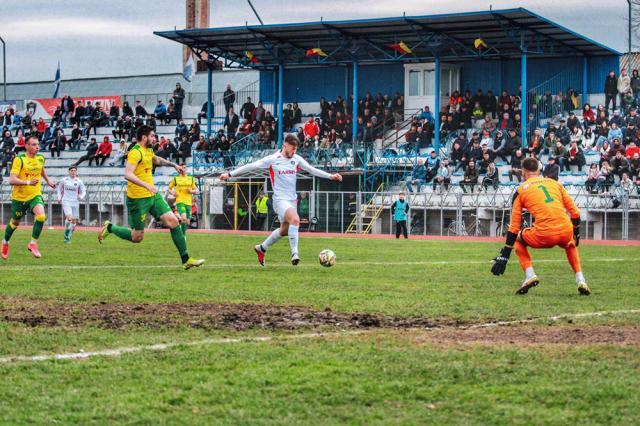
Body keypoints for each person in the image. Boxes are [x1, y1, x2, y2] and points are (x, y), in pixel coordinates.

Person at [220, 134, 342, 266]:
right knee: (295, 219)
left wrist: (330, 176)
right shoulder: (273, 159)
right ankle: (295, 253)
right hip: (279, 200)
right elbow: (252, 166)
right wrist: (229, 174)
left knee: (284, 230)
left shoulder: (296, 159)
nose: (294, 152)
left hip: (292, 200)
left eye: (296, 149)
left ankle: (261, 248)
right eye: (292, 149)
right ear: (285, 145)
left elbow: (311, 169)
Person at [97, 125, 204, 270]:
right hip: (137, 200)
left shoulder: (148, 150)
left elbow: (156, 159)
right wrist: (146, 185)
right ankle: (110, 227)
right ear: (144, 137)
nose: (154, 138)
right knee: (137, 237)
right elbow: (127, 174)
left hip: (152, 196)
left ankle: (186, 259)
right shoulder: (135, 152)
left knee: (173, 221)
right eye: (152, 136)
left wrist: (173, 164)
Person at [491, 157, 590, 296]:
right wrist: (577, 233)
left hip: (544, 234)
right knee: (570, 245)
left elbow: (513, 227)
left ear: (523, 172)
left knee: (518, 240)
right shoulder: (555, 183)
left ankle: (530, 275)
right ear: (539, 170)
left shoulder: (520, 191)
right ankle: (581, 280)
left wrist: (504, 255)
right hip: (566, 229)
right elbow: (575, 212)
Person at [2, 135, 56, 260]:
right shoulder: (19, 159)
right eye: (33, 144)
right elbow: (12, 179)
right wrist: (27, 182)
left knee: (41, 216)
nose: (37, 147)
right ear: (26, 146)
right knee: (15, 222)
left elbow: (41, 169)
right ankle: (5, 242)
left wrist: (48, 180)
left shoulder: (41, 158)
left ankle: (33, 243)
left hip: (34, 195)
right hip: (20, 197)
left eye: (37, 144)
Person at [56, 165, 86, 243]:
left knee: (74, 222)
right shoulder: (64, 180)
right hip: (66, 201)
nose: (73, 172)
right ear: (69, 172)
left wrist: (81, 197)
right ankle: (66, 235)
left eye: (74, 171)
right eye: (72, 170)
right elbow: (59, 189)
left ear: (76, 172)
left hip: (75, 202)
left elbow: (84, 191)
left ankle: (67, 236)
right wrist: (59, 197)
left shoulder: (79, 181)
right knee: (70, 218)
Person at [167, 164, 198, 237]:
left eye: (184, 168)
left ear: (186, 169)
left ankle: (181, 230)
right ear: (179, 169)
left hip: (189, 202)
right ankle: (183, 236)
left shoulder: (191, 179)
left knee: (187, 222)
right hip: (180, 201)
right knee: (183, 218)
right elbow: (169, 189)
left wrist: (191, 191)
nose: (183, 169)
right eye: (182, 168)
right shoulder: (175, 179)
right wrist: (173, 193)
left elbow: (195, 190)